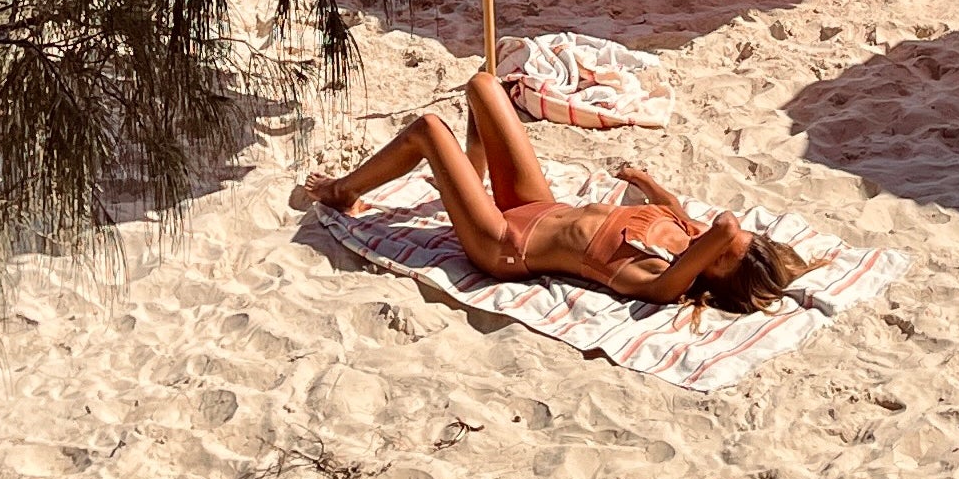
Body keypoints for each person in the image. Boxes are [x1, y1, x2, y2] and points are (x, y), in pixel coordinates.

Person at [302, 69, 806, 310]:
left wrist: (732, 248)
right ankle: (466, 182)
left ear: (710, 276)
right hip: (536, 205)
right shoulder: (691, 237)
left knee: (430, 130)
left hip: (503, 243)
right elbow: (684, 215)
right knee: (484, 87)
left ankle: (343, 192)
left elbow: (725, 227)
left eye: (719, 255)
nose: (707, 241)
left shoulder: (660, 278)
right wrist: (645, 182)